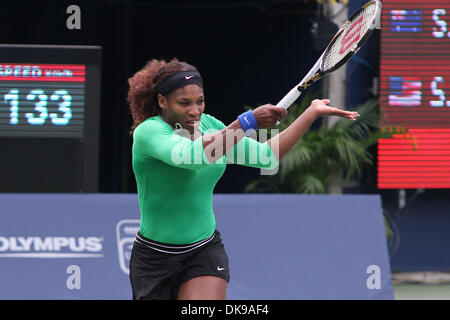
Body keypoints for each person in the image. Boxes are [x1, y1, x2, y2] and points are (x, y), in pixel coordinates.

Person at [127, 58, 359, 300]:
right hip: (154, 258)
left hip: (203, 250)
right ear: (163, 101)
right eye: (184, 103)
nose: (195, 110)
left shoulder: (209, 125)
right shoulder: (149, 132)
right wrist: (246, 122)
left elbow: (266, 156)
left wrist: (310, 114)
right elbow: (193, 157)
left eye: (200, 101)